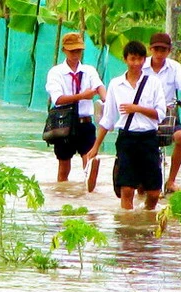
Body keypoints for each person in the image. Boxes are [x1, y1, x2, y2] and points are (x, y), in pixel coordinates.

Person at [86, 40, 166, 210]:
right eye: (132, 59)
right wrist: (96, 147)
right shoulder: (116, 84)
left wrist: (137, 108)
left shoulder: (153, 83)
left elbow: (160, 114)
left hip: (149, 139)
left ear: (144, 60)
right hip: (126, 139)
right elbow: (108, 119)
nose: (136, 63)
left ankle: (147, 220)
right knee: (127, 189)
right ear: (125, 59)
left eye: (139, 59)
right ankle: (127, 229)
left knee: (153, 192)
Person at [45, 32, 106, 187]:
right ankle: (62, 196)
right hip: (64, 124)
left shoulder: (89, 70)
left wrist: (106, 100)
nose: (75, 54)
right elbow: (58, 99)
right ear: (64, 50)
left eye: (78, 51)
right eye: (72, 51)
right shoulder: (56, 72)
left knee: (90, 162)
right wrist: (82, 96)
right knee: (64, 167)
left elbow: (99, 86)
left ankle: (88, 196)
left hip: (85, 123)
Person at [142, 32, 181, 193]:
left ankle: (171, 181)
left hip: (169, 113)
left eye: (163, 50)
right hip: (145, 113)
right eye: (156, 49)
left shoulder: (174, 67)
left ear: (169, 51)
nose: (159, 53)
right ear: (150, 49)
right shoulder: (141, 66)